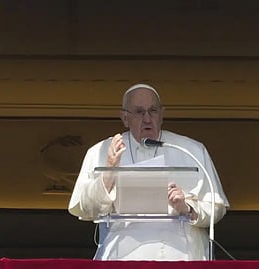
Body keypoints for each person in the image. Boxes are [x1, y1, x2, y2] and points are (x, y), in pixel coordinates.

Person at [68, 83, 230, 260]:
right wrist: (109, 171)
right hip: (123, 258)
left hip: (182, 256)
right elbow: (85, 209)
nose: (147, 118)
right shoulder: (101, 152)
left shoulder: (191, 150)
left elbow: (216, 207)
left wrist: (187, 208)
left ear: (162, 115)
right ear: (124, 118)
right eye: (139, 112)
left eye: (153, 111)